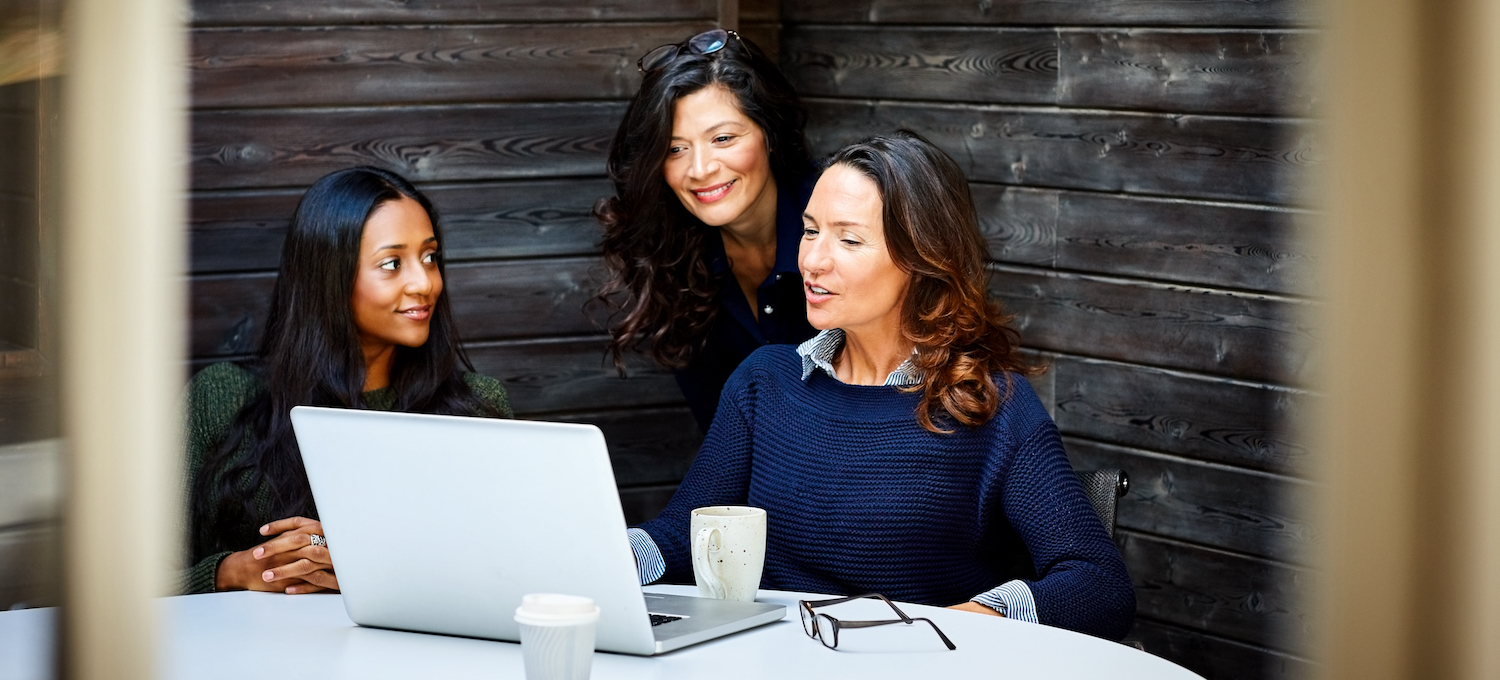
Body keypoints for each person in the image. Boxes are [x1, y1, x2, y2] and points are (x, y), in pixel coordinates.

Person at [627, 132, 1136, 640]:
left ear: (921, 260)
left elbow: (1098, 585)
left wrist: (958, 623)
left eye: (848, 239)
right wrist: (588, 554)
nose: (813, 261)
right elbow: (676, 539)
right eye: (809, 231)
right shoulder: (765, 382)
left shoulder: (990, 403)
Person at [178, 166, 513, 595]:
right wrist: (233, 572)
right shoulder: (220, 397)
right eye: (392, 264)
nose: (424, 282)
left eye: (430, 257)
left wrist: (379, 569)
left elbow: (502, 572)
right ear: (329, 279)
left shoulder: (478, 407)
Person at [594, 29, 817, 430]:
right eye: (676, 148)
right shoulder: (673, 257)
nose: (699, 169)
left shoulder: (844, 226)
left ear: (770, 134)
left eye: (723, 138)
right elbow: (724, 437)